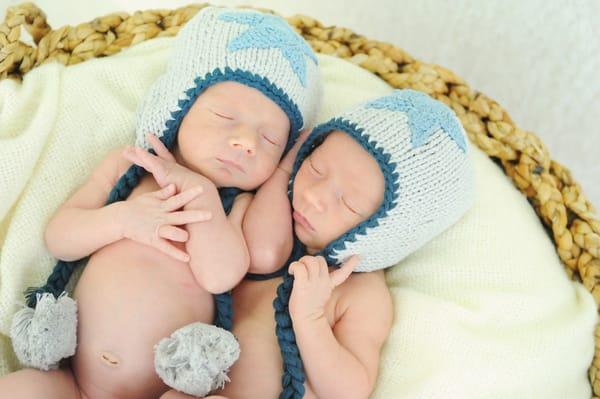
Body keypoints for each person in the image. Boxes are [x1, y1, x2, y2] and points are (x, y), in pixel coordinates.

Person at [1, 6, 321, 399]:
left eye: (270, 139)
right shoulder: (130, 168)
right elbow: (61, 238)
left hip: (166, 390)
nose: (246, 142)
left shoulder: (234, 208)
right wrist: (122, 220)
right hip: (70, 382)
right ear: (180, 107)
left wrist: (201, 194)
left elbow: (221, 276)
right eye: (224, 116)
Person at [210, 89, 476, 398]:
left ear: (383, 234)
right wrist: (285, 169)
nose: (313, 196)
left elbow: (348, 390)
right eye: (315, 168)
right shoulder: (275, 211)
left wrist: (311, 317)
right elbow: (259, 253)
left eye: (349, 204)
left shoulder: (360, 292)